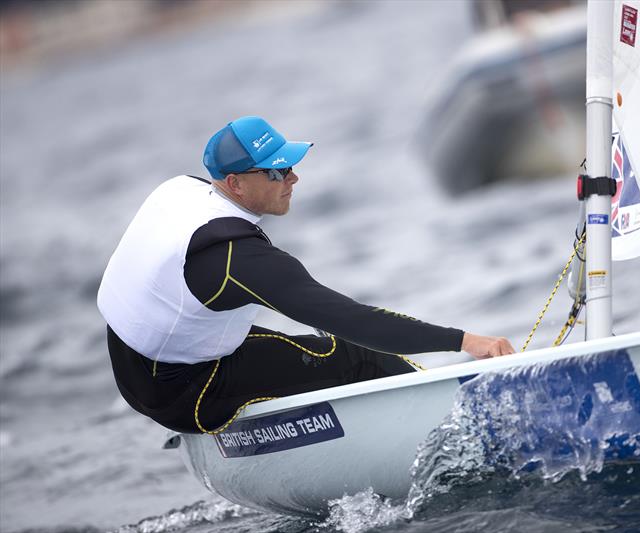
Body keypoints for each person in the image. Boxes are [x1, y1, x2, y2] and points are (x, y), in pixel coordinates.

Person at [97, 116, 515, 435]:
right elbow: (354, 320)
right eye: (277, 171)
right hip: (183, 392)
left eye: (291, 164)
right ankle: (461, 431)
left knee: (317, 353)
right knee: (355, 356)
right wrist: (464, 341)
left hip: (135, 365)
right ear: (235, 184)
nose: (294, 178)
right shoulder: (236, 260)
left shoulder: (179, 191)